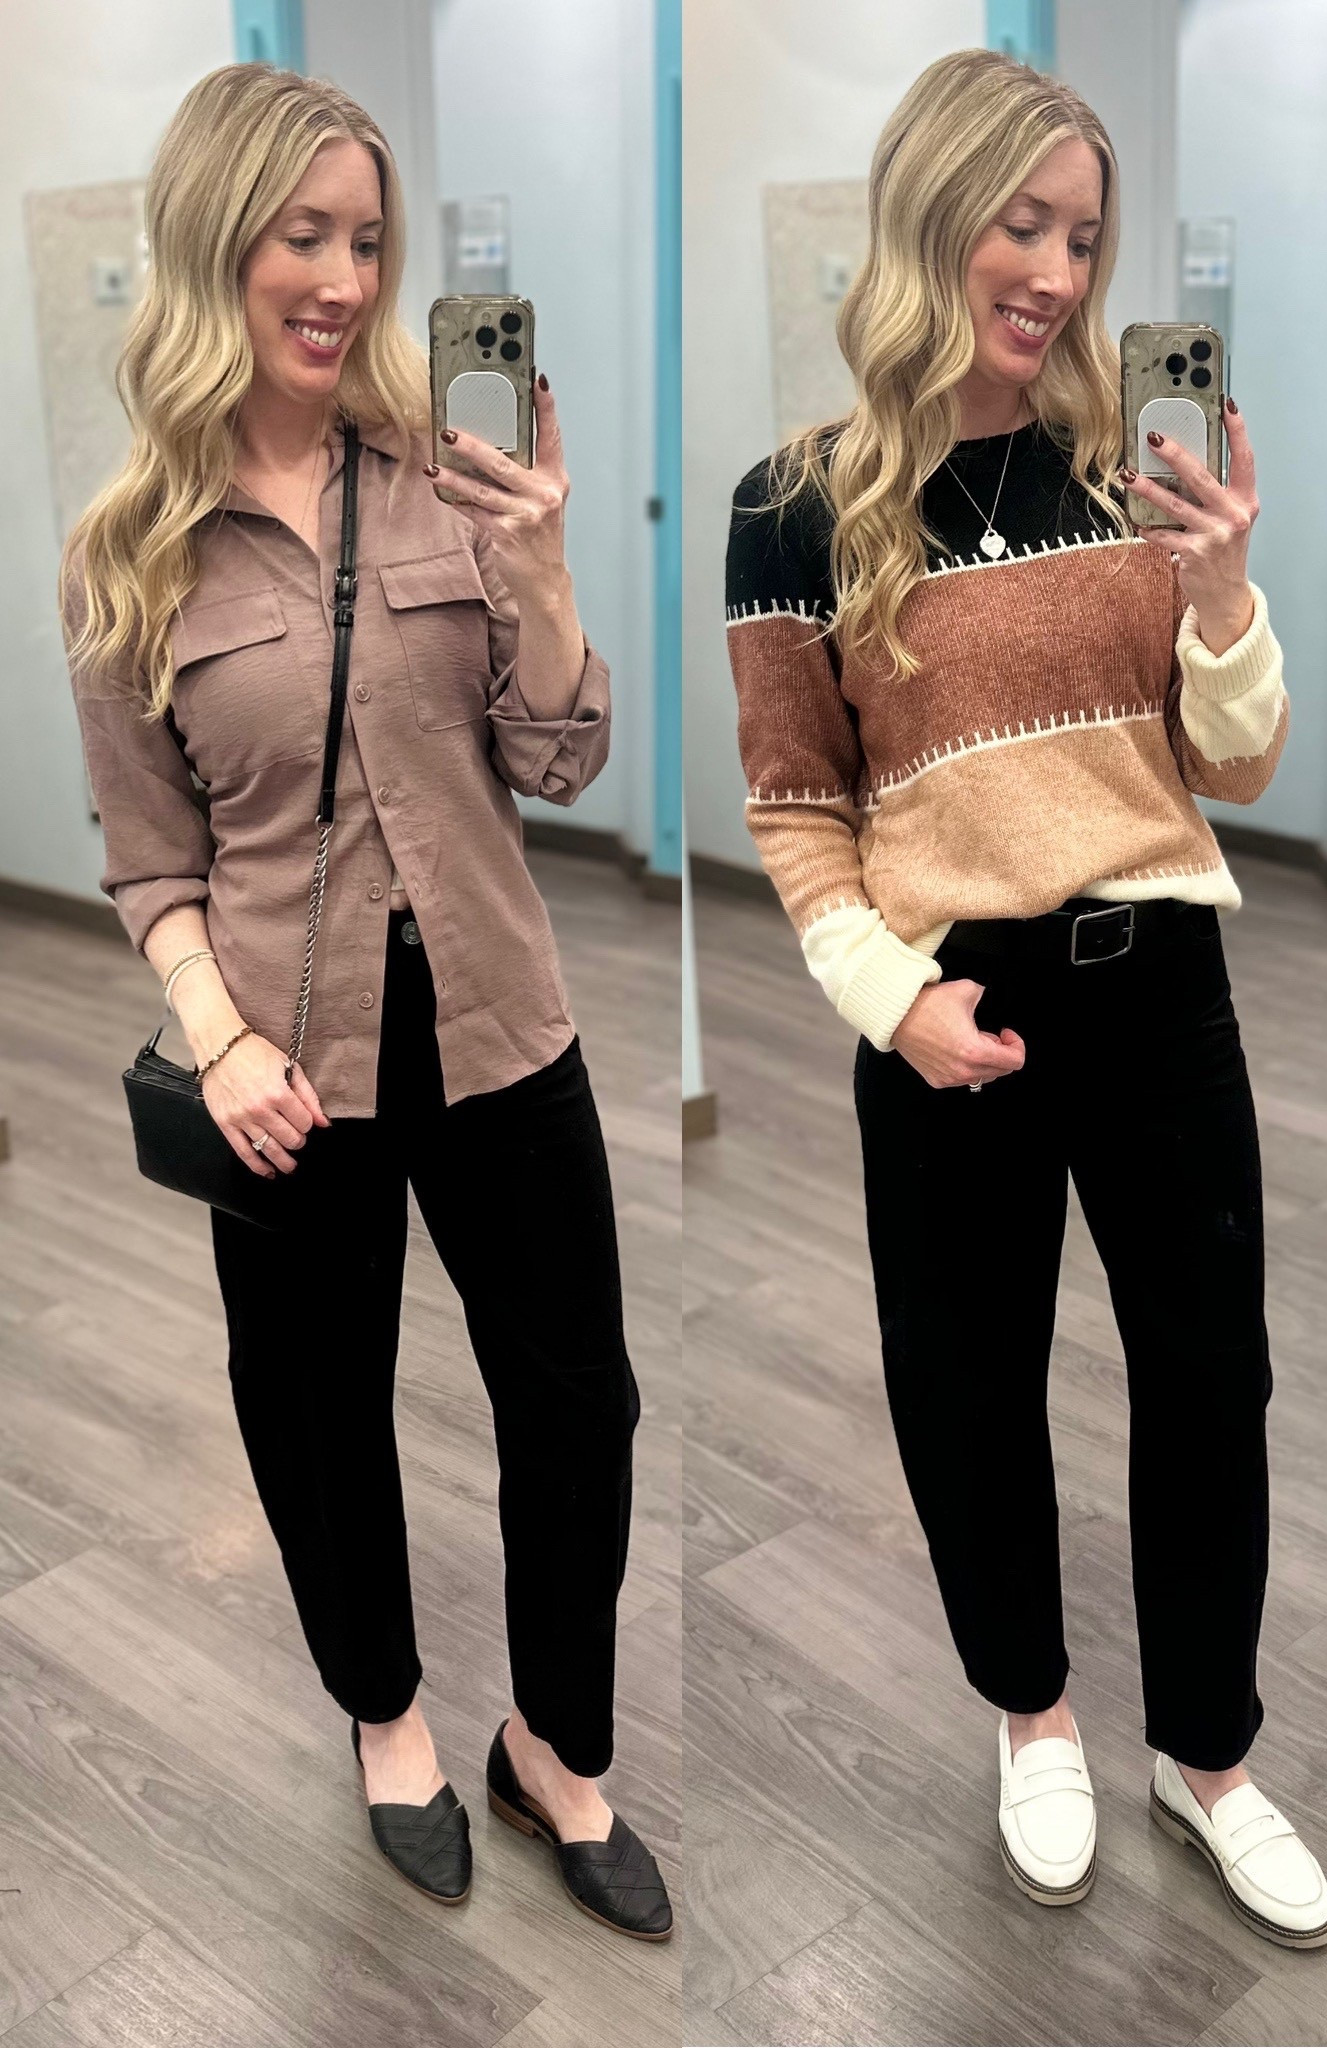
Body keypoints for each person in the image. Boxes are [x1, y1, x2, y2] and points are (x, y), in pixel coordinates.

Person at [723, 48, 1327, 1949]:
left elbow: (1234, 762)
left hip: (1162, 985)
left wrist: (1222, 590)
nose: (1059, 275)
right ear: (933, 219)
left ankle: (1208, 1756)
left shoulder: (1132, 467)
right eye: (1023, 226)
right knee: (968, 1386)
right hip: (948, 1011)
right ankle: (1034, 1717)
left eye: (1085, 237)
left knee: (1212, 1382)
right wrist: (890, 1000)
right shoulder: (795, 506)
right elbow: (797, 809)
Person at [59, 63, 669, 1941]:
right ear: (212, 247)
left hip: (499, 1019)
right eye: (301, 238)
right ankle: (386, 1718)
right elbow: (150, 861)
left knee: (580, 1405)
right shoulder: (126, 557)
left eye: (367, 243)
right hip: (284, 1069)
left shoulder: (445, 476)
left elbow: (560, 757)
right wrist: (220, 1039)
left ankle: (554, 1743)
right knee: (318, 1414)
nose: (341, 281)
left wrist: (543, 570)